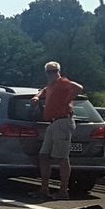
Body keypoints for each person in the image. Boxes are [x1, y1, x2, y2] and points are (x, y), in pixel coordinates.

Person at [32, 61, 83, 200]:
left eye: (54, 71)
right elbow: (44, 89)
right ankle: (44, 188)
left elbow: (79, 88)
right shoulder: (51, 85)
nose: (52, 73)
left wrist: (67, 101)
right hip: (53, 122)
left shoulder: (62, 82)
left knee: (61, 158)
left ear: (58, 71)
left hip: (62, 121)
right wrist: (37, 96)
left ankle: (63, 191)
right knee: (44, 155)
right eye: (49, 71)